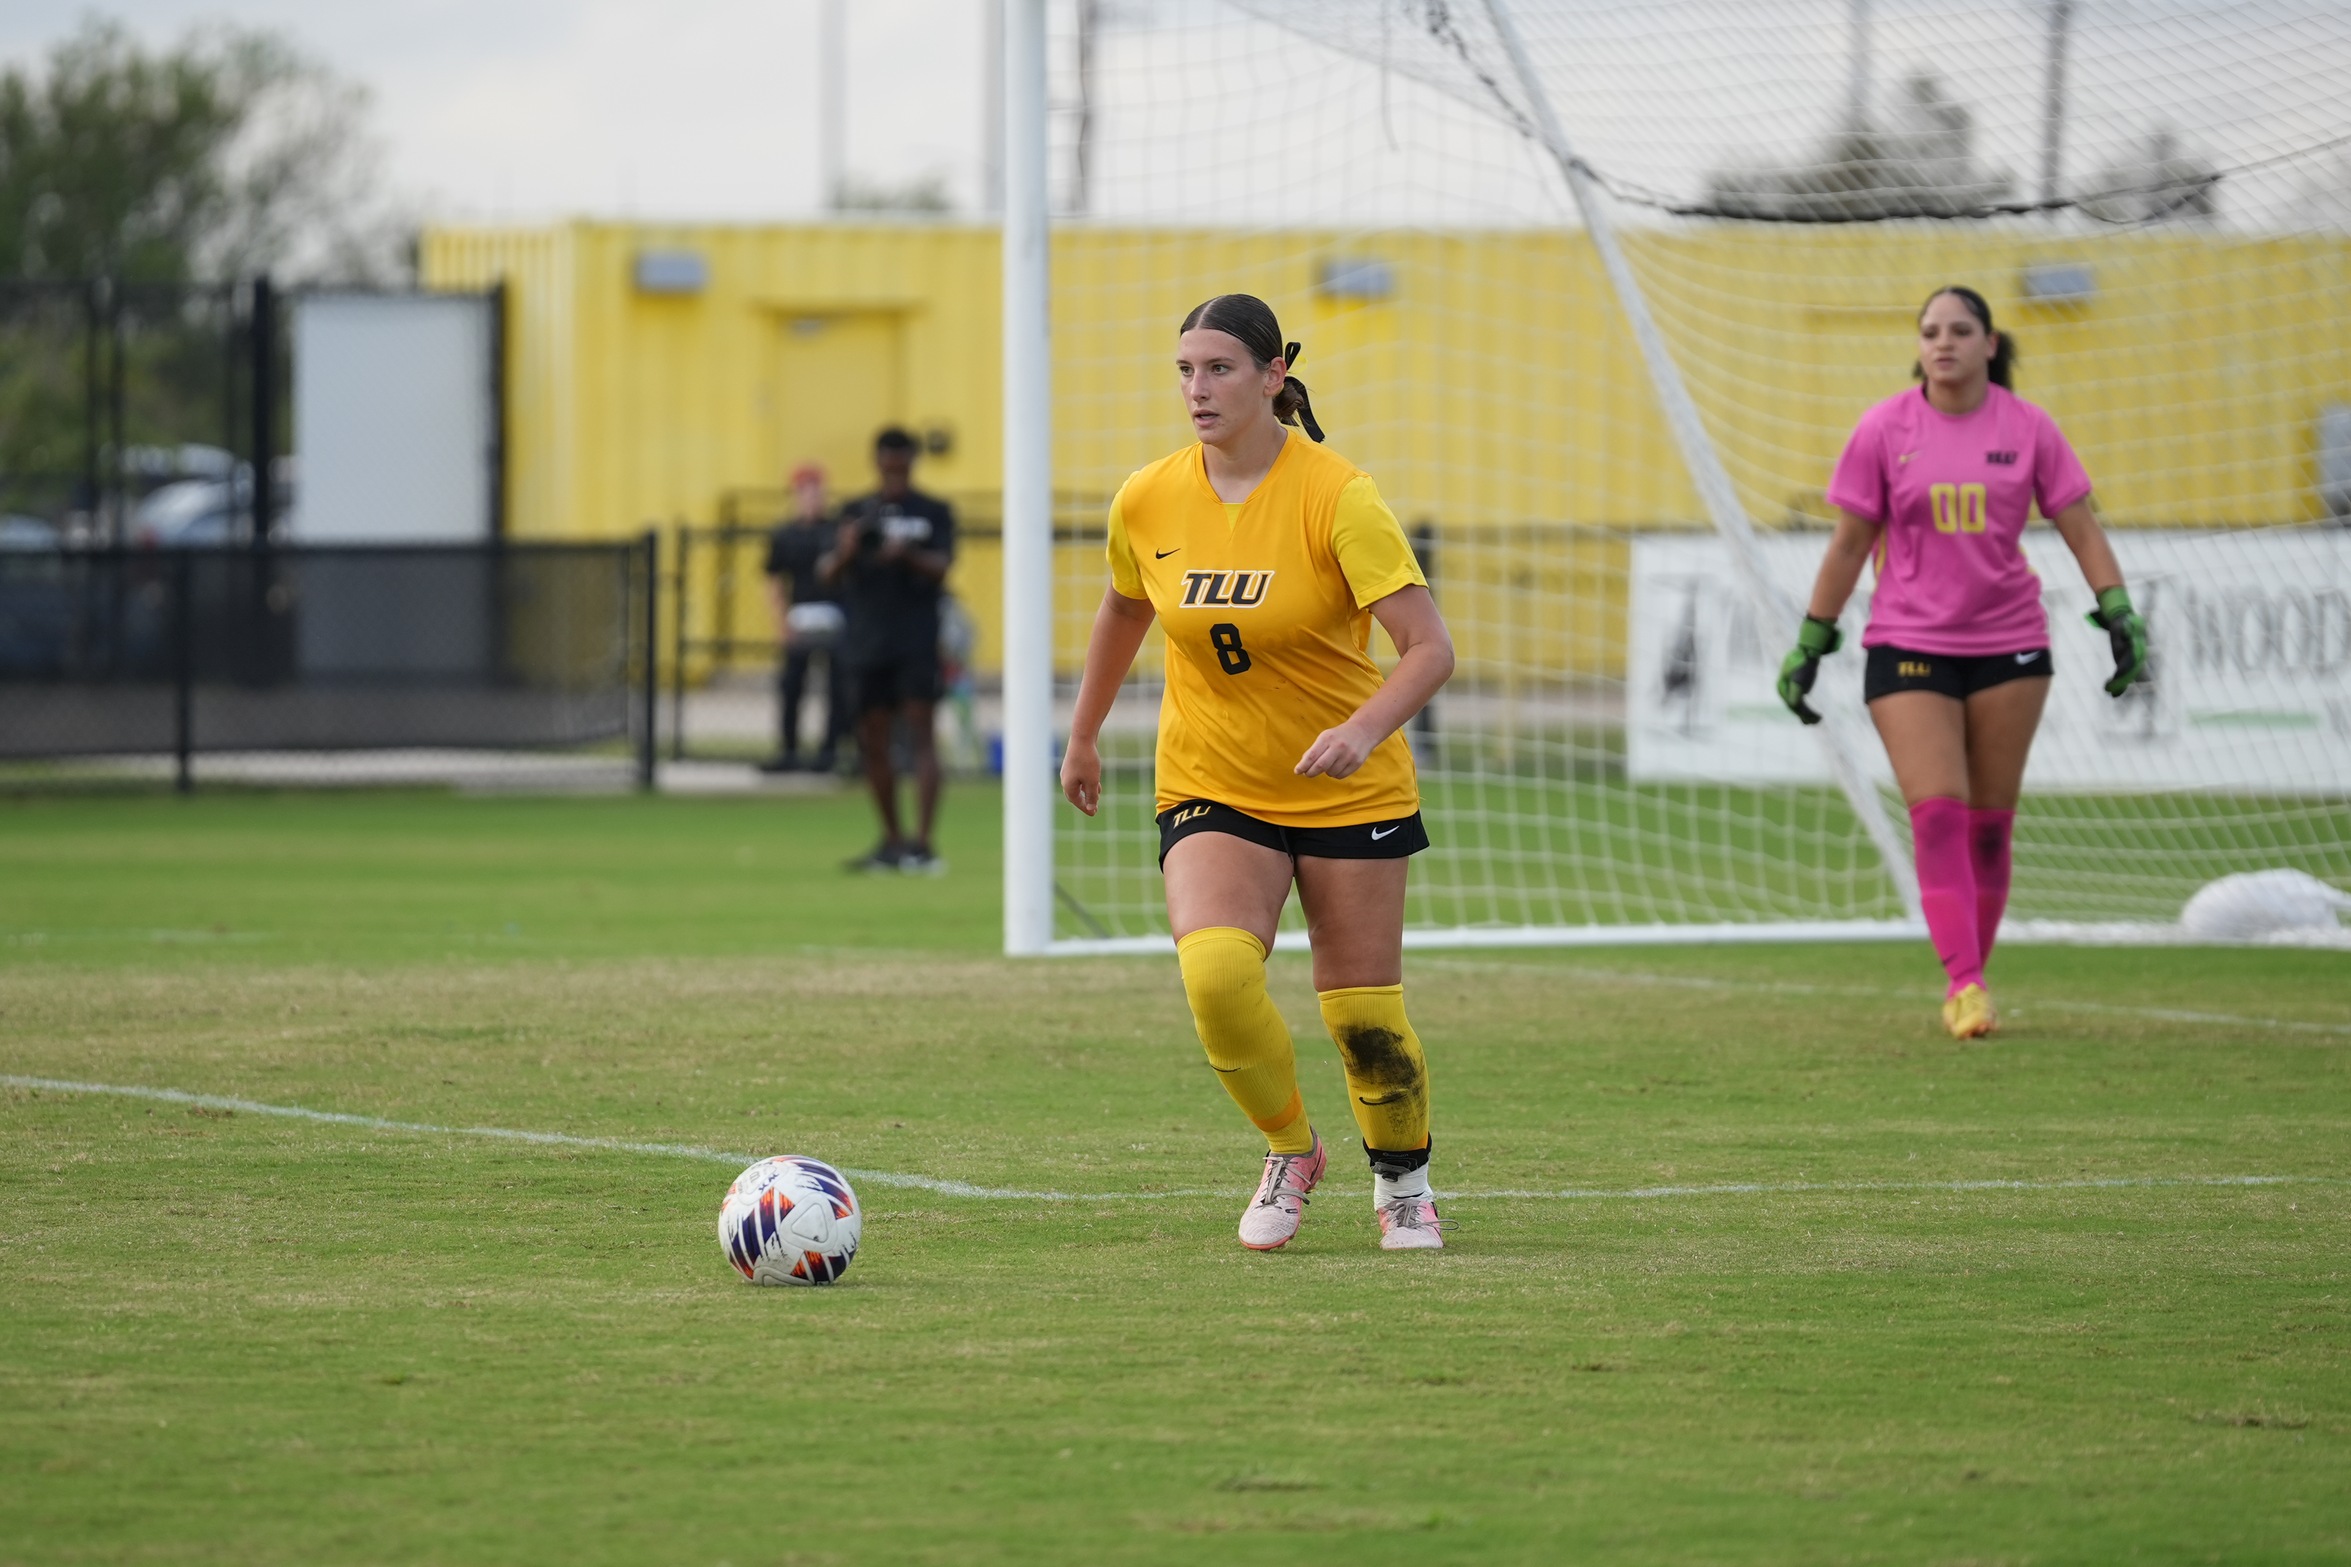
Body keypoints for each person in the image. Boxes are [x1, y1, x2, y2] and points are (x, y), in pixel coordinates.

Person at [1059, 294, 1457, 1252]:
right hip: (1213, 778)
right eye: (1186, 371)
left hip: (1344, 785)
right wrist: (1081, 734)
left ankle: (1402, 1183)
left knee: (1364, 1019)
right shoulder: (1147, 496)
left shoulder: (1338, 495)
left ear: (1275, 376)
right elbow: (1124, 610)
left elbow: (1428, 649)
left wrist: (1362, 730)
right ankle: (1290, 1148)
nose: (1198, 389)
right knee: (1216, 974)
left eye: (1220, 369)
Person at [1778, 285, 2149, 1040]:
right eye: (1927, 331)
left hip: (2010, 644)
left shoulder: (2028, 427)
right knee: (1939, 816)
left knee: (1988, 827)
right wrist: (1811, 639)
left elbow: (2079, 526)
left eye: (1958, 330)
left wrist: (2117, 609)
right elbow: (1849, 544)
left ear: (1989, 343)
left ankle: (1970, 972)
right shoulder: (1884, 428)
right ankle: (1965, 983)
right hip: (1907, 644)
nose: (1941, 342)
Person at [820, 427, 956, 874]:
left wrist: (906, 554)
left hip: (916, 638)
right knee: (873, 739)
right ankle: (892, 841)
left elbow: (943, 566)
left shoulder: (933, 511)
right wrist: (847, 549)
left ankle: (922, 843)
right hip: (867, 641)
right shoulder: (855, 511)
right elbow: (828, 574)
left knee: (920, 734)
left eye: (901, 461)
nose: (894, 468)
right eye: (887, 460)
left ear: (911, 461)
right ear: (877, 461)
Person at [761, 463, 850, 774]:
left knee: (837, 688)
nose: (812, 499)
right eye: (805, 492)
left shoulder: (836, 531)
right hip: (800, 619)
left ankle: (828, 752)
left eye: (817, 492)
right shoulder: (784, 535)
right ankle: (788, 751)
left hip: (835, 619)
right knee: (791, 687)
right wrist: (780, 622)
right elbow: (773, 580)